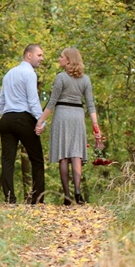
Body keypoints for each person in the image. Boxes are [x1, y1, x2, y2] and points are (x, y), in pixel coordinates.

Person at [34, 47, 102, 205]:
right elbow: (90, 105)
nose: (59, 59)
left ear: (69, 60)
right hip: (78, 116)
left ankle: (67, 196)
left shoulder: (61, 78)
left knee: (63, 156)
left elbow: (52, 102)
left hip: (62, 116)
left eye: (61, 57)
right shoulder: (85, 80)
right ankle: (78, 192)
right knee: (76, 154)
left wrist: (40, 120)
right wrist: (95, 126)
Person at [0, 44, 45, 204]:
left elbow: (0, 102)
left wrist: (6, 115)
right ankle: (37, 200)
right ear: (29, 55)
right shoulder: (29, 73)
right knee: (37, 159)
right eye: (39, 55)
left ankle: (10, 199)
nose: (41, 59)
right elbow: (33, 101)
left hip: (6, 120)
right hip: (23, 119)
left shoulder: (9, 74)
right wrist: (40, 122)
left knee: (7, 160)